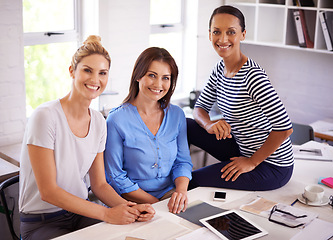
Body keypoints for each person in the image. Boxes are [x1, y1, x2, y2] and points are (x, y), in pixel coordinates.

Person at [19, 35, 155, 240]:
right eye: (87, 70)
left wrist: (131, 208)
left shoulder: (99, 122)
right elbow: (48, 192)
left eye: (102, 73)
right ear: (72, 71)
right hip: (41, 221)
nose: (95, 80)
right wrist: (107, 213)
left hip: (81, 214)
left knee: (135, 235)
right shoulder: (45, 116)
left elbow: (99, 184)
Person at [187, 5, 294, 191]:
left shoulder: (253, 77)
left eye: (231, 32)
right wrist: (209, 125)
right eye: (216, 32)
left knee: (193, 180)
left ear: (243, 34)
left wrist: (252, 162)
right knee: (187, 125)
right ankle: (171, 171)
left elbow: (284, 129)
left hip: (272, 165)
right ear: (210, 34)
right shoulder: (219, 69)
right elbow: (199, 108)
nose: (223, 39)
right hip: (241, 148)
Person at [104, 47, 193, 214]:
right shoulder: (116, 120)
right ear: (138, 75)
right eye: (152, 75)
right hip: (130, 202)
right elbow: (115, 177)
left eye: (165, 78)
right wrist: (157, 204)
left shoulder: (177, 115)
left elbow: (183, 162)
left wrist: (180, 192)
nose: (158, 84)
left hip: (169, 197)